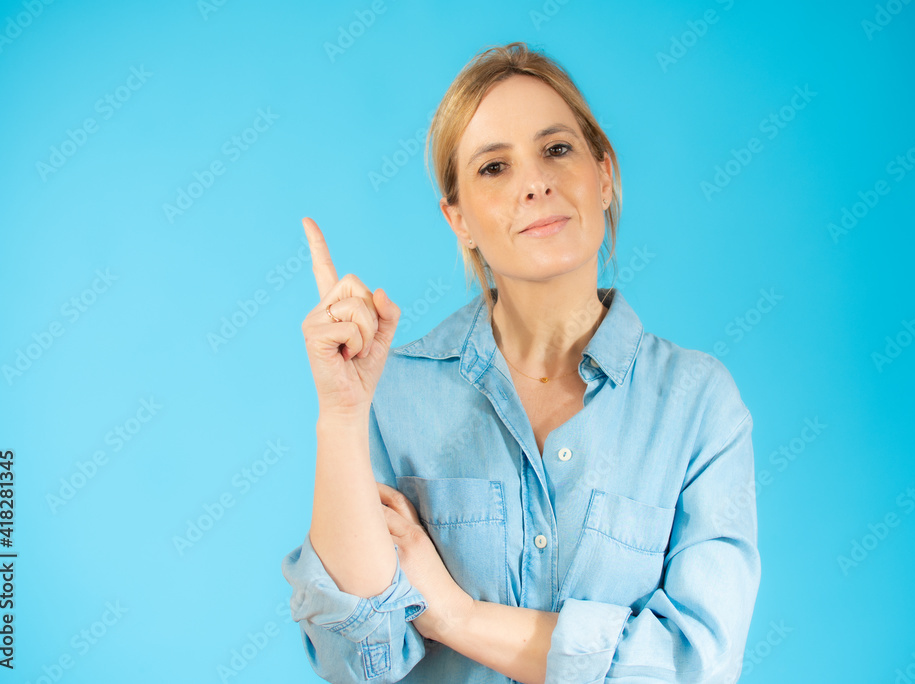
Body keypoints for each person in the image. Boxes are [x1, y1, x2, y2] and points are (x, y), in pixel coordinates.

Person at [282, 41, 760, 684]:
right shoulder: (391, 397)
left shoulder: (698, 404)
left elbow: (694, 665)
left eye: (557, 149)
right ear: (459, 219)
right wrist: (342, 414)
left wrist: (456, 616)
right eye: (493, 167)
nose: (534, 182)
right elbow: (358, 662)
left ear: (605, 172)